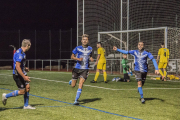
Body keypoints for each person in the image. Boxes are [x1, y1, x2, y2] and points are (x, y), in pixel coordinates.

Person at [2, 39, 35, 109]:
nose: (30, 47)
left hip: (22, 73)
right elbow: (17, 67)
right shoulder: (19, 54)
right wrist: (24, 76)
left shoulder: (23, 53)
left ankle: (26, 105)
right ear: (27, 45)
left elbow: (20, 65)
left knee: (28, 88)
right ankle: (6, 96)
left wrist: (25, 68)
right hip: (17, 75)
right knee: (22, 91)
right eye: (30, 46)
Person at [69, 34, 94, 105]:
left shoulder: (90, 48)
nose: (85, 41)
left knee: (80, 84)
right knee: (73, 85)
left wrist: (91, 58)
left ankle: (76, 100)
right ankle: (71, 81)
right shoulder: (77, 48)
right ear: (81, 41)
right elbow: (72, 56)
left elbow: (90, 55)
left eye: (86, 39)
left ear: (88, 41)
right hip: (77, 68)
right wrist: (78, 59)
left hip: (85, 69)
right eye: (83, 39)